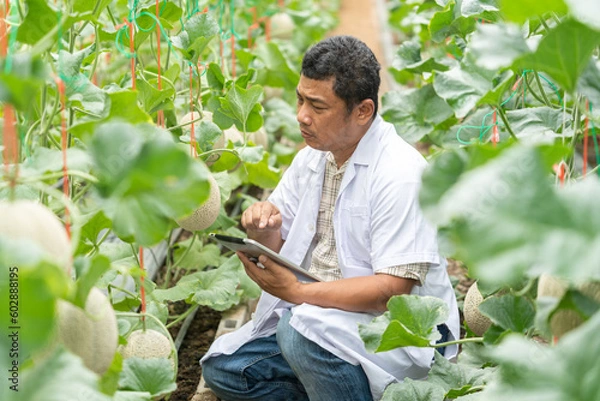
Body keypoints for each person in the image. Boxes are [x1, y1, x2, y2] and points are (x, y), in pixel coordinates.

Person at [201, 35, 459, 401]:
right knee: (228, 371)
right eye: (300, 99)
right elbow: (276, 243)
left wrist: (297, 292)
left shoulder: (401, 173)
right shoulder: (313, 156)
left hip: (395, 330)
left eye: (317, 107)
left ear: (363, 111)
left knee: (296, 331)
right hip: (323, 320)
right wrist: (265, 231)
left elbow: (392, 292)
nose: (302, 116)